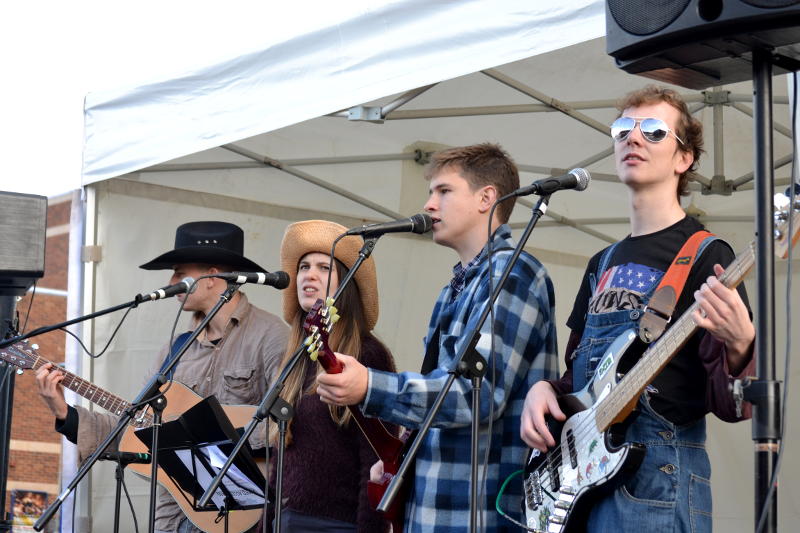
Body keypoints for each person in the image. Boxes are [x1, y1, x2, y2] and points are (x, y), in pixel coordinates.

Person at [520, 86, 756, 532]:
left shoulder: (707, 255)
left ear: (683, 159)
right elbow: (579, 378)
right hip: (585, 483)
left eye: (653, 130)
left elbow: (732, 405)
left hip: (657, 481)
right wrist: (545, 390)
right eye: (622, 129)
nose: (633, 138)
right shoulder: (602, 263)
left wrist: (742, 345)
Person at [316, 143, 559, 532]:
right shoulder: (454, 289)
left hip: (479, 513)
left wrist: (369, 385)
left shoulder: (514, 274)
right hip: (432, 508)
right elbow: (440, 390)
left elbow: (475, 395)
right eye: (431, 192)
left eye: (444, 191)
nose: (429, 204)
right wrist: (405, 455)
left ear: (486, 198)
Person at [35, 221, 289, 533]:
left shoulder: (270, 336)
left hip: (245, 513)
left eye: (180, 272)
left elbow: (289, 421)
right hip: (175, 517)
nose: (171, 282)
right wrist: (65, 413)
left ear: (213, 277)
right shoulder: (176, 349)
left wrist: (213, 443)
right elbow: (135, 426)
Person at [264, 219, 396, 532]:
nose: (308, 275)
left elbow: (377, 461)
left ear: (345, 285)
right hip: (289, 520)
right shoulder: (296, 358)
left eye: (324, 268)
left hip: (338, 524)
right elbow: (281, 461)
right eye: (304, 266)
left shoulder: (366, 355)